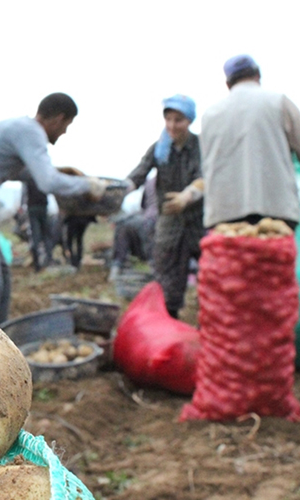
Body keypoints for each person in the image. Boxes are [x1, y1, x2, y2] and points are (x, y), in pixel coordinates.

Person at [0, 92, 107, 326]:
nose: (65, 132)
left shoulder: (20, 129)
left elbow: (26, 173)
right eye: (67, 125)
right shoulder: (31, 132)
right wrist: (88, 185)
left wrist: (61, 172)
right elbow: (47, 182)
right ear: (59, 119)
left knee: (2, 278)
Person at [123, 95, 205, 319]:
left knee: (209, 275)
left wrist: (186, 197)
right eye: (168, 119)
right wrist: (119, 190)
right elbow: (139, 173)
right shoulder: (159, 149)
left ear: (189, 121)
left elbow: (204, 177)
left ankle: (209, 323)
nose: (172, 125)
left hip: (198, 223)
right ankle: (168, 325)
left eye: (178, 120)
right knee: (168, 281)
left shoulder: (200, 146)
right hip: (169, 225)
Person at [200, 54, 300, 230]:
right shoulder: (278, 102)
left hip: (225, 217)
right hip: (276, 213)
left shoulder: (210, 115)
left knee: (233, 258)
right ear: (258, 75)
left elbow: (207, 166)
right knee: (273, 257)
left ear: (228, 84)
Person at [109, 176, 157, 280]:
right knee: (152, 249)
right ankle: (155, 272)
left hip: (148, 218)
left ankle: (116, 268)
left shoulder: (149, 182)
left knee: (124, 233)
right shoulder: (175, 180)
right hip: (157, 220)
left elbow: (143, 204)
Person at [21, 177, 55, 271]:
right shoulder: (42, 176)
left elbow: (23, 194)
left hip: (32, 209)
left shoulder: (28, 178)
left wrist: (22, 206)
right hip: (43, 208)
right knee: (47, 236)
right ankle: (49, 261)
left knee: (35, 237)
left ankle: (37, 265)